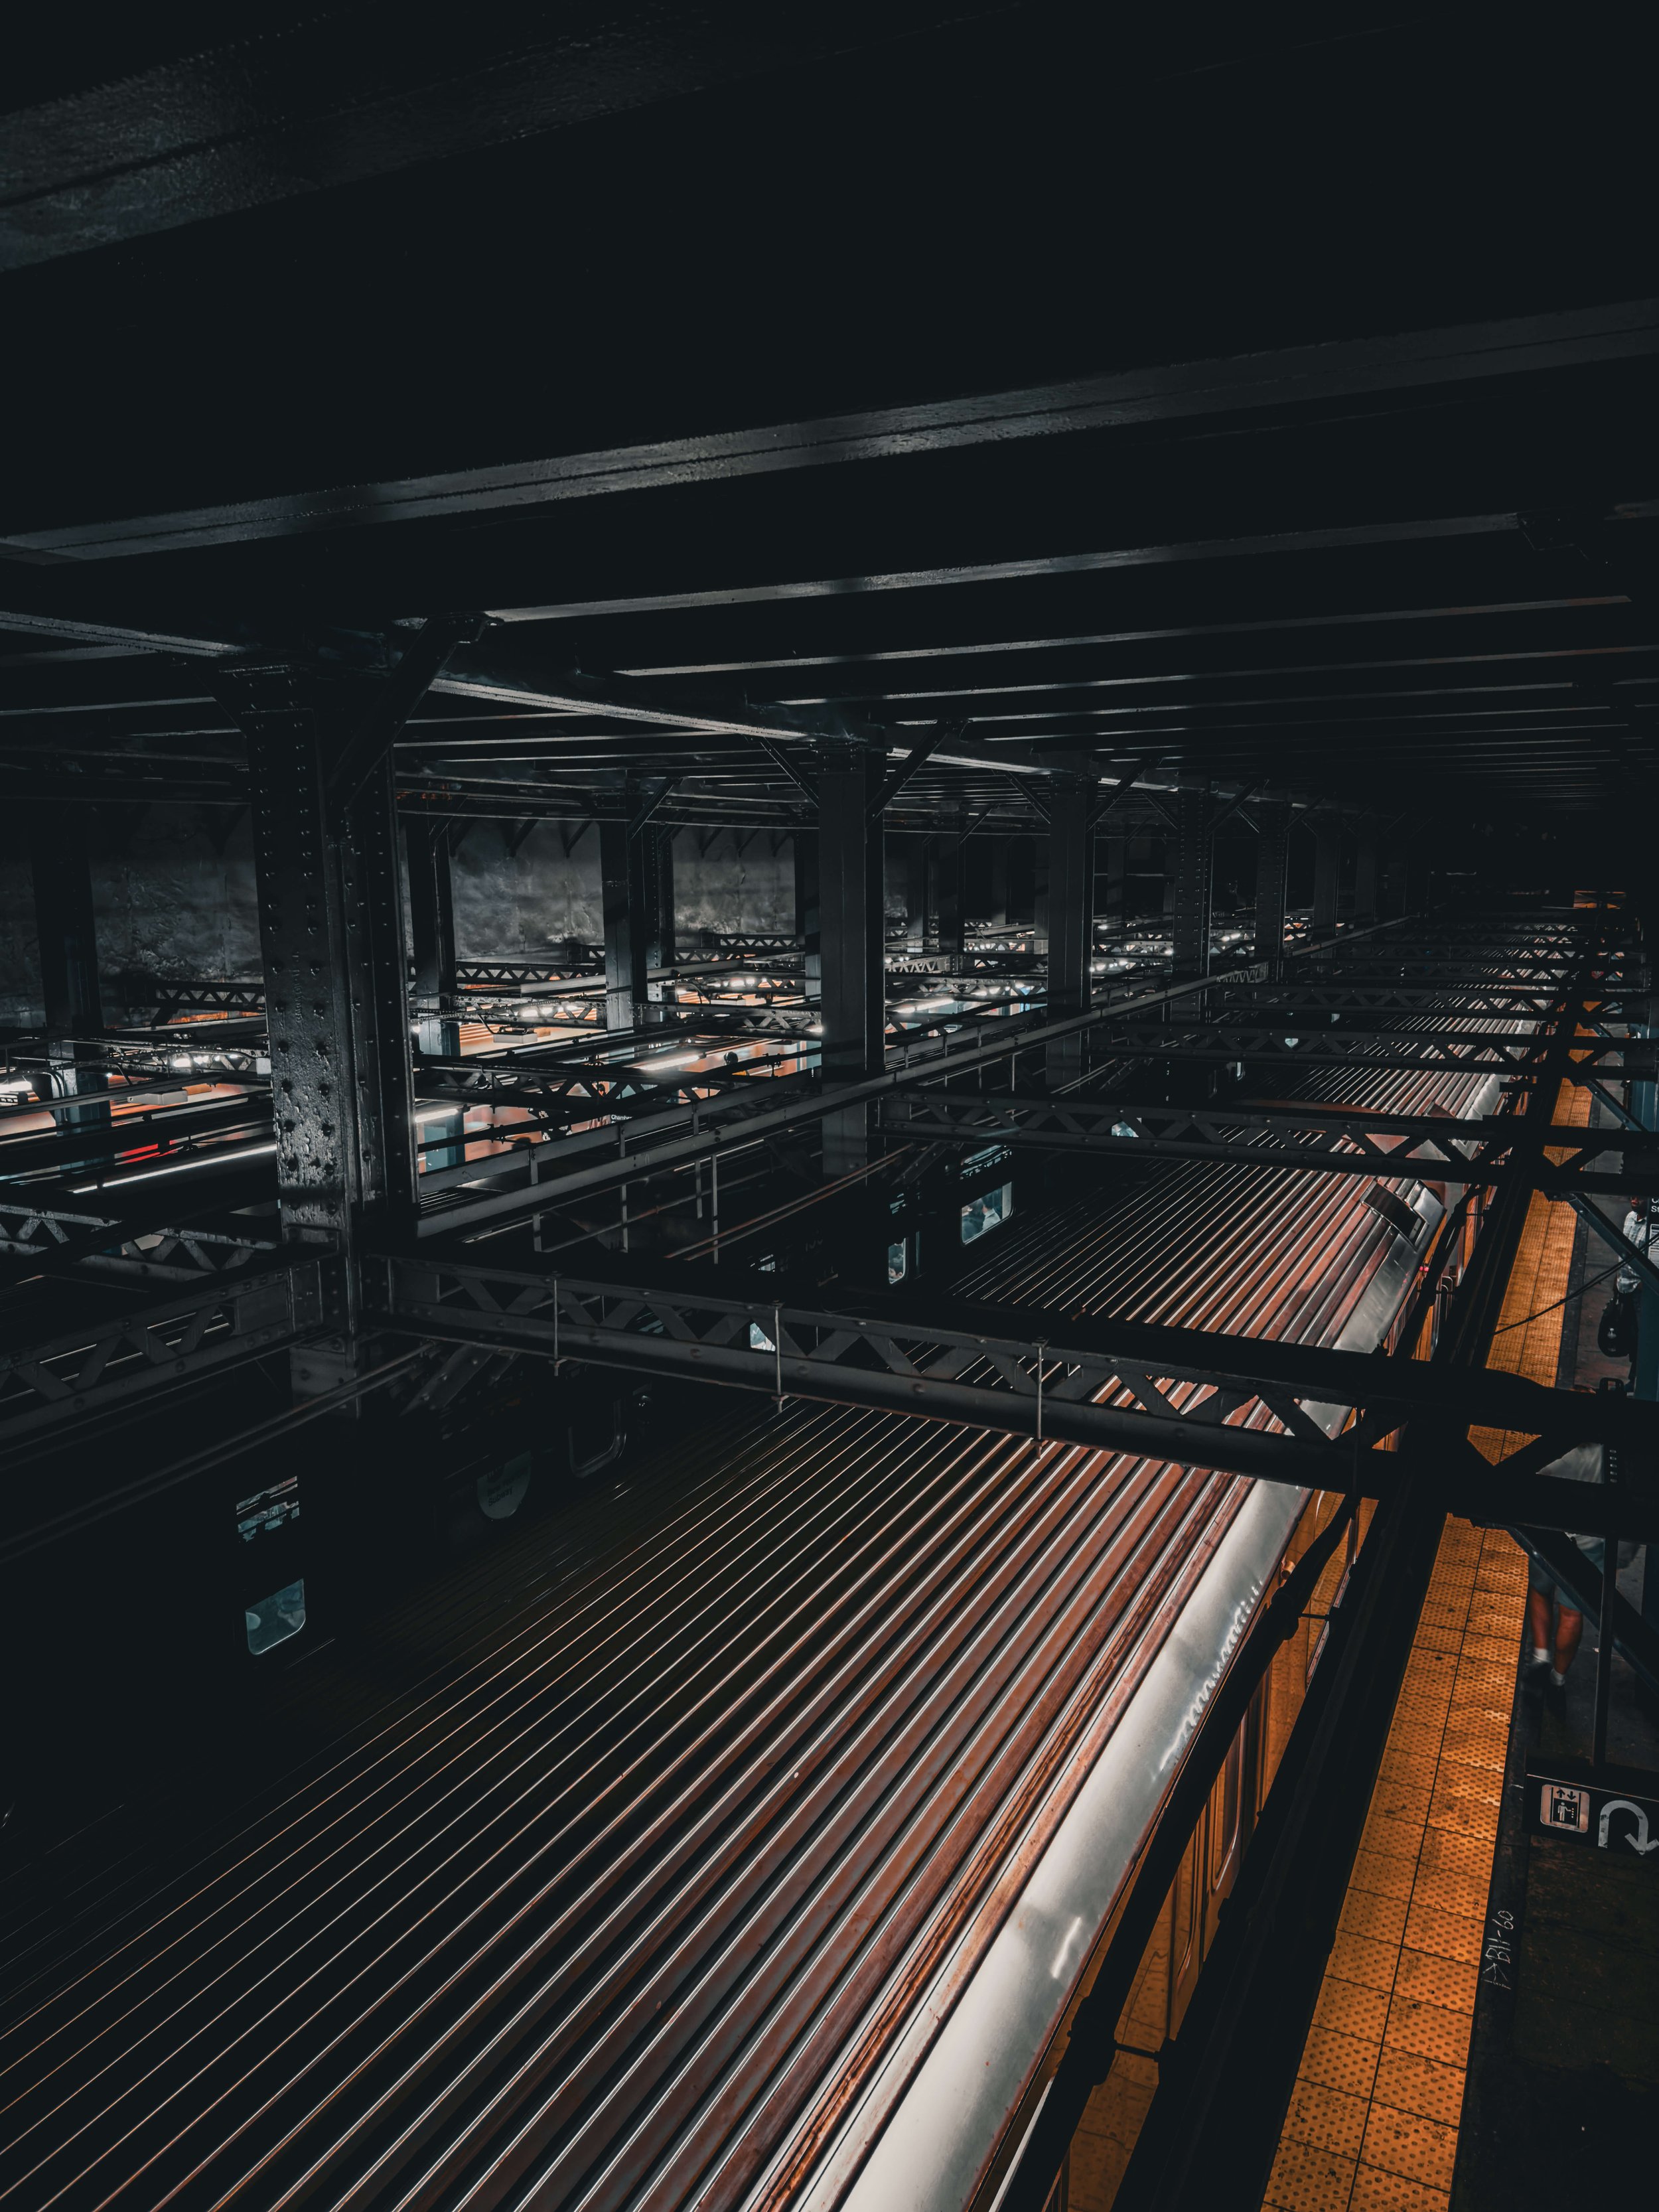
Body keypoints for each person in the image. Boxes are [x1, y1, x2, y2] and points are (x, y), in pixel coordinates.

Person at [1525, 1439, 1640, 1689]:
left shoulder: (1559, 1450)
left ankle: (1540, 1658)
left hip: (1548, 1536)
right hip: (1592, 1546)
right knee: (1572, 1613)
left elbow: (1533, 1488)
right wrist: (1620, 1559)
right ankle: (1558, 1678)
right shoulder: (1619, 1458)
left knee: (1540, 1591)